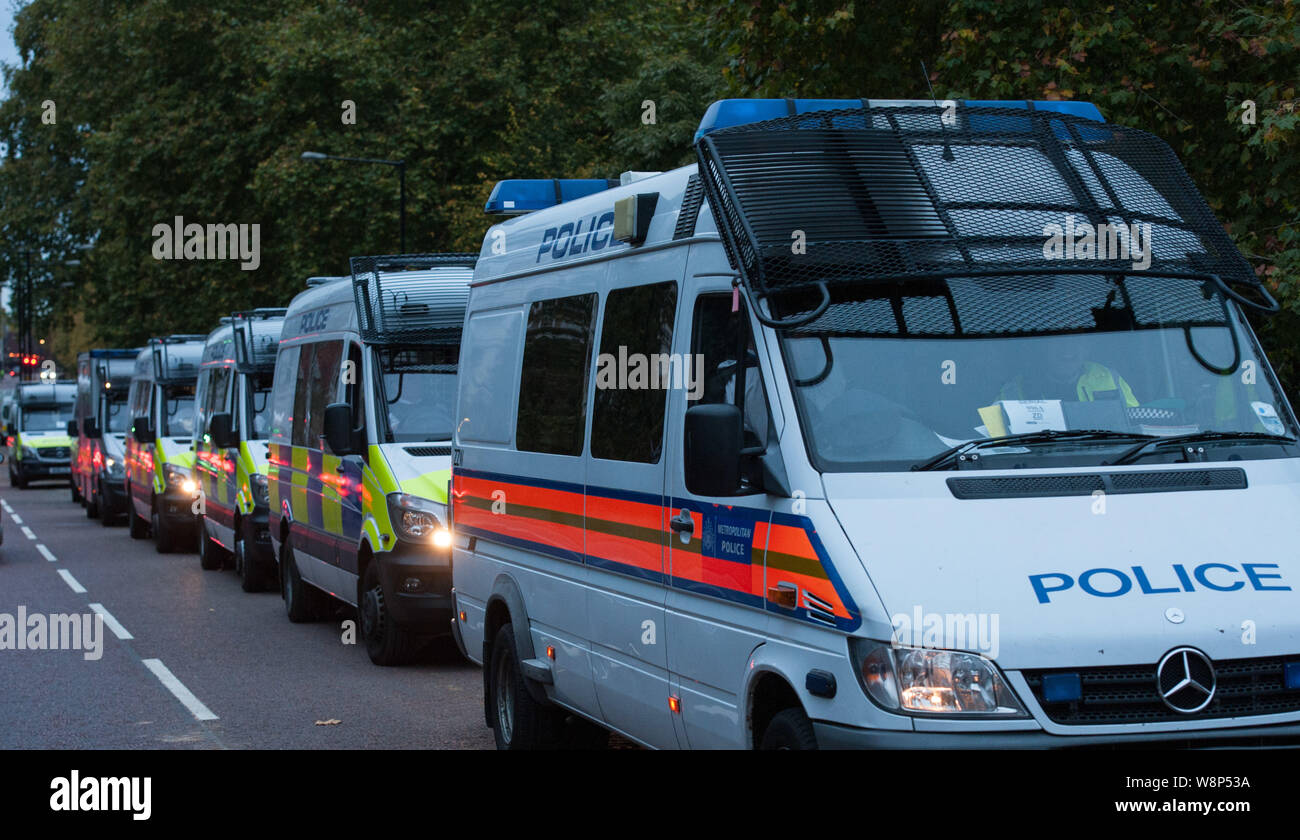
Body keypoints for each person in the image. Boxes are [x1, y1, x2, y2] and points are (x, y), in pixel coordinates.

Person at [996, 343, 1139, 407]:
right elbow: (994, 437)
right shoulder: (1016, 388)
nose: (1067, 348)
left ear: (1087, 349)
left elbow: (1135, 423)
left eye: (1076, 340)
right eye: (1058, 341)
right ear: (1044, 348)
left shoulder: (1109, 377)